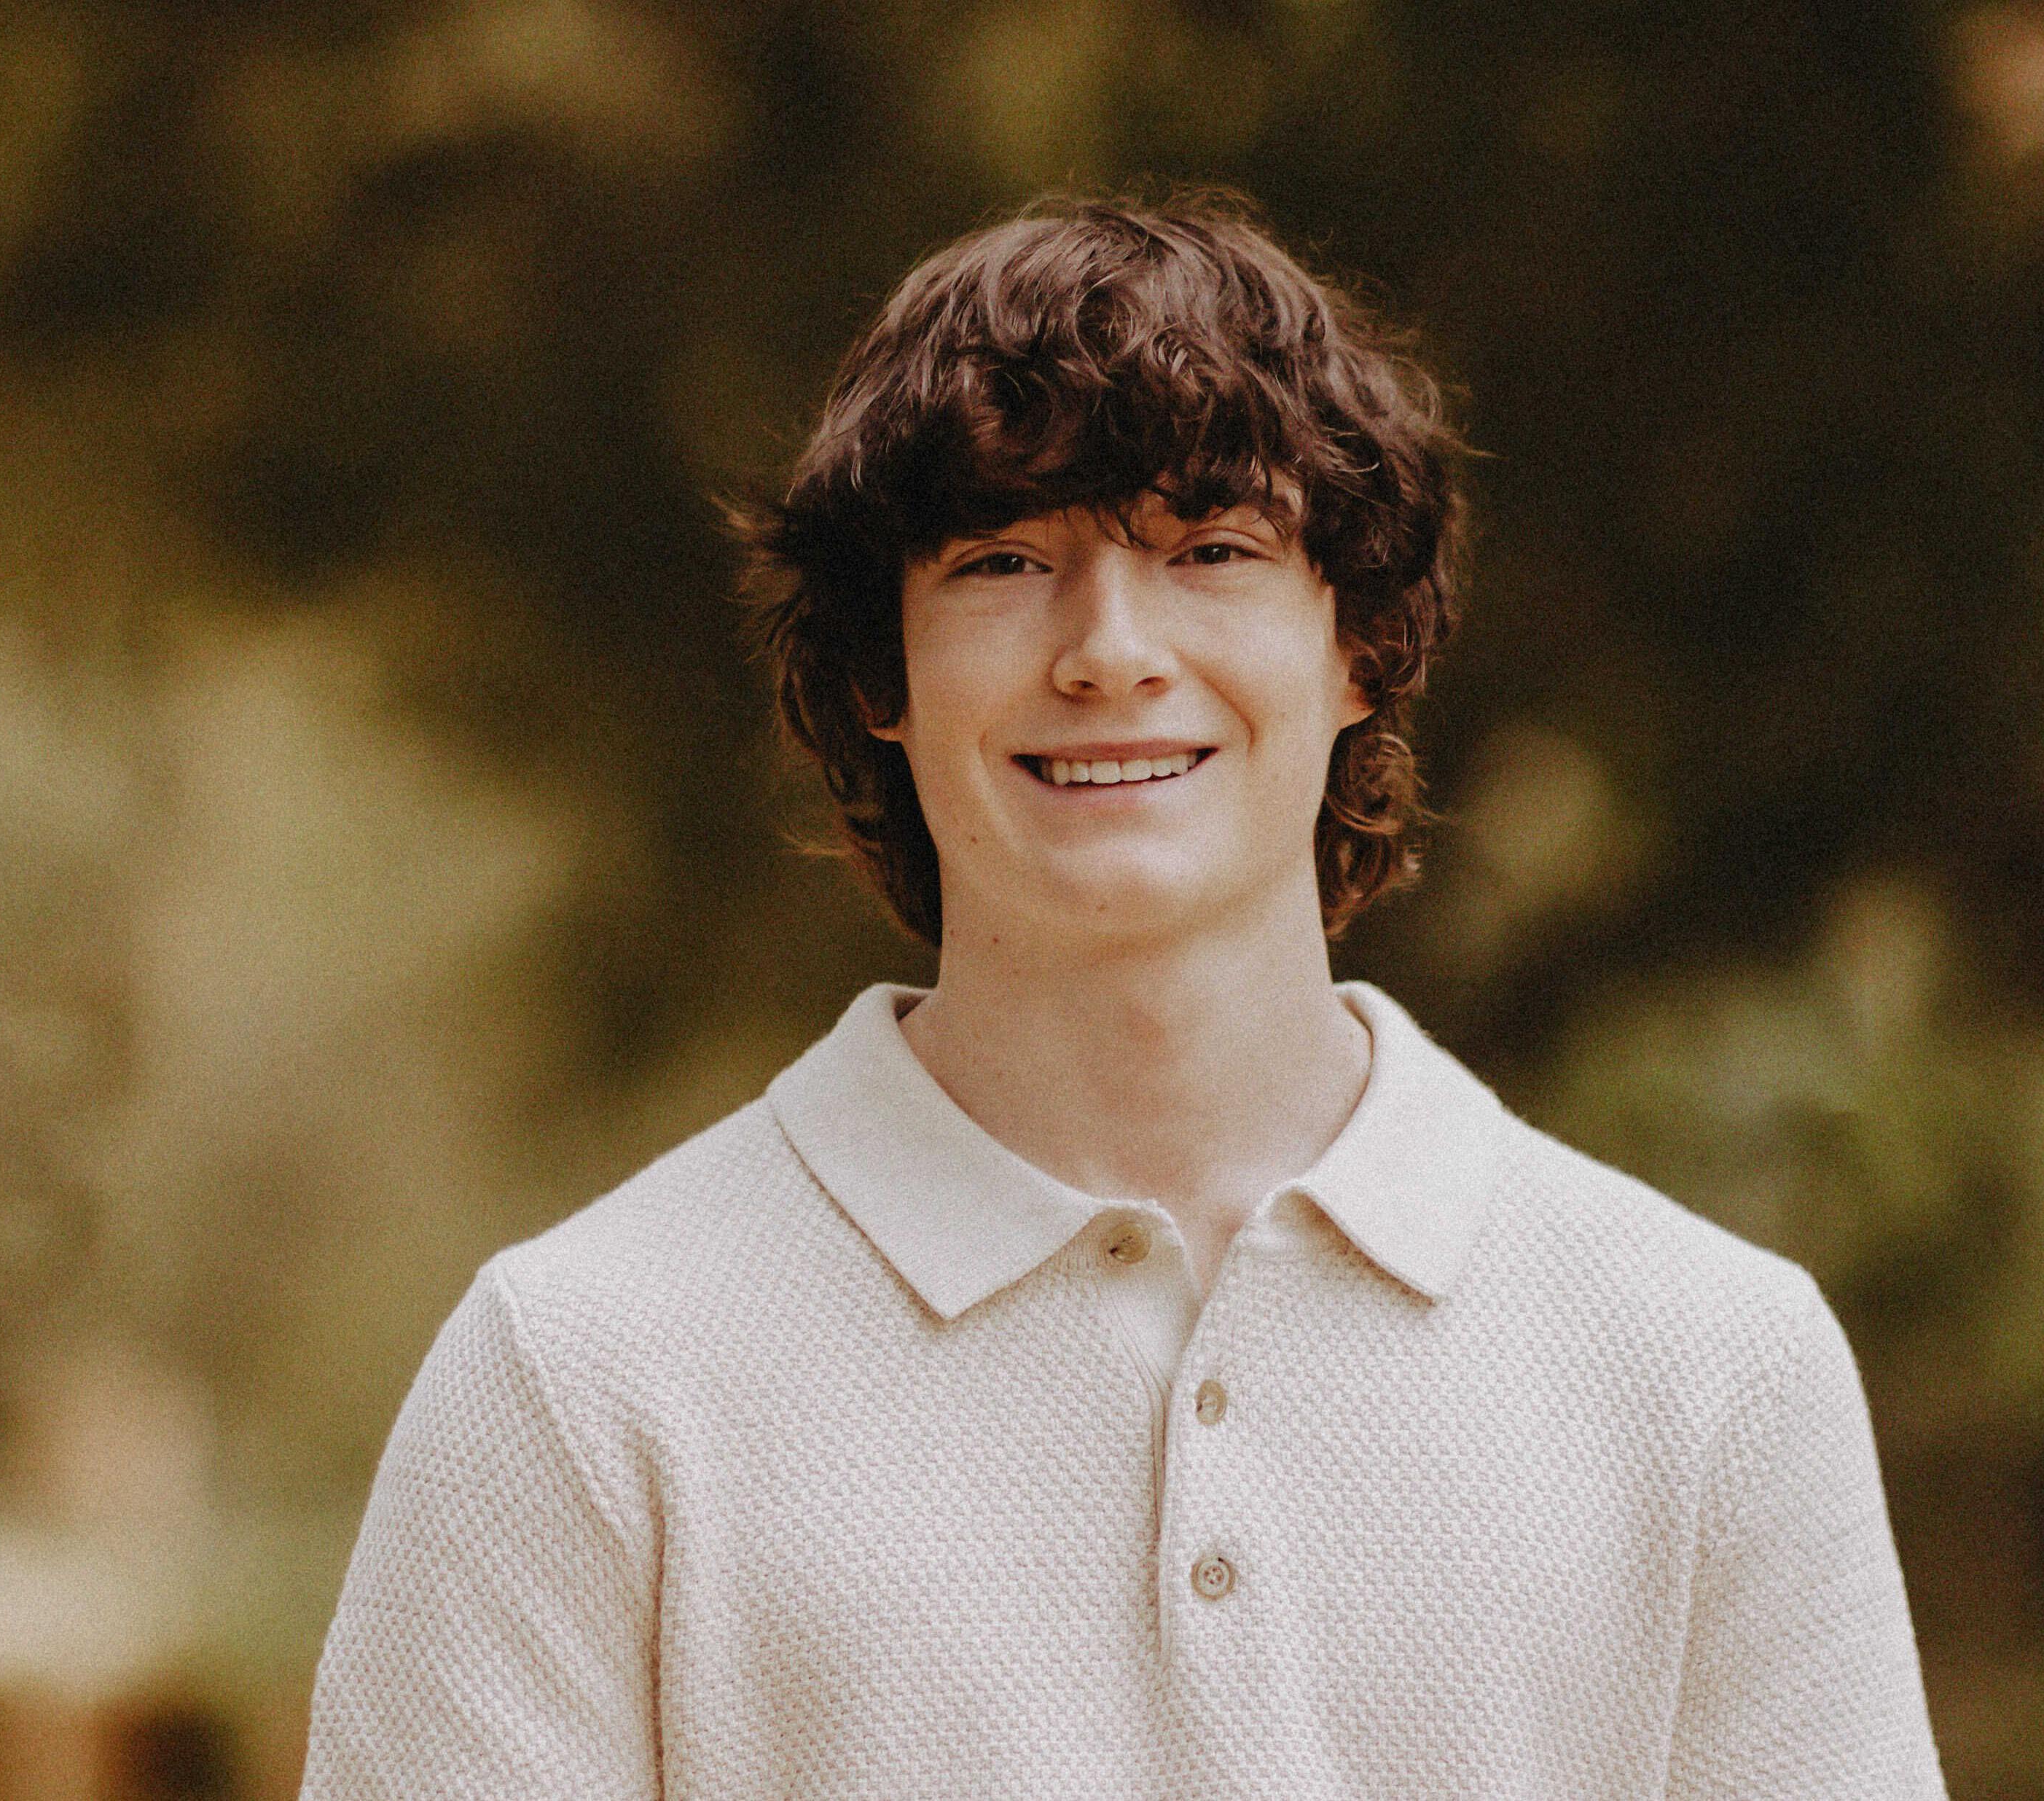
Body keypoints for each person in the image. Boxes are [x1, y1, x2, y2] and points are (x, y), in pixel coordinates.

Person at [300, 191, 1946, 1800]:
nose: (1108, 649)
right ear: (879, 674)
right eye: (1005, 561)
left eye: (1211, 549)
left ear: (1360, 641)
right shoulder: (583, 1378)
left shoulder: (1711, 1371)